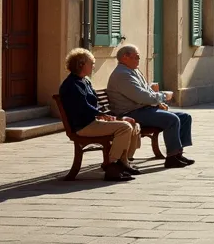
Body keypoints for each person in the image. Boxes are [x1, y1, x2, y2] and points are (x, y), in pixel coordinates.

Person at [58, 48, 141, 181]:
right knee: (125, 127)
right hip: (84, 125)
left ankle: (123, 162)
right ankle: (111, 164)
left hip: (93, 121)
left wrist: (114, 117)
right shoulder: (72, 85)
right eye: (91, 63)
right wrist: (111, 117)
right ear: (81, 65)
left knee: (133, 124)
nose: (93, 66)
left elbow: (95, 106)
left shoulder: (85, 81)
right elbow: (84, 108)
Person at [107, 44, 196, 168]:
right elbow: (142, 96)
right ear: (125, 57)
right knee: (171, 119)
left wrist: (158, 103)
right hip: (131, 113)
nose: (139, 59)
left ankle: (178, 153)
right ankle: (171, 158)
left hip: (143, 109)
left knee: (185, 117)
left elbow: (147, 91)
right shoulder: (122, 75)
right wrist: (163, 96)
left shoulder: (133, 71)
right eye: (136, 57)